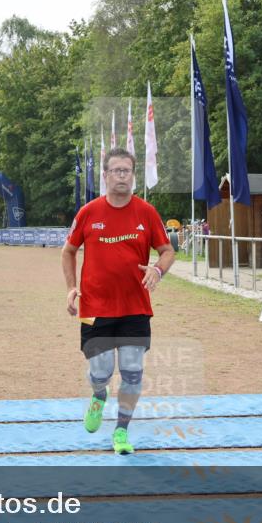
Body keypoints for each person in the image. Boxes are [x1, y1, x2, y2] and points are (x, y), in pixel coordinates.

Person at [61, 147, 175, 455]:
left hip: (135, 307)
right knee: (100, 372)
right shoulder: (88, 212)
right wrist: (72, 288)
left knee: (132, 371)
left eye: (127, 171)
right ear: (105, 175)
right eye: (116, 170)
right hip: (93, 308)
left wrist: (157, 270)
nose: (122, 176)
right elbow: (68, 251)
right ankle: (98, 396)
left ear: (133, 176)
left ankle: (121, 432)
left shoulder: (146, 213)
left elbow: (167, 251)